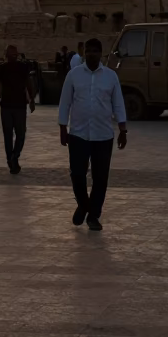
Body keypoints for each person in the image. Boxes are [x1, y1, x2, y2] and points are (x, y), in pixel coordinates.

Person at [58, 37, 127, 231]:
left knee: (100, 177)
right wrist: (63, 128)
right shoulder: (74, 75)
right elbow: (65, 103)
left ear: (101, 54)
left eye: (95, 51)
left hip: (103, 135)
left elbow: (118, 103)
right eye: (88, 50)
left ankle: (93, 215)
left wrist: (123, 129)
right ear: (84, 52)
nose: (91, 54)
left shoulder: (110, 76)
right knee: (77, 174)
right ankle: (83, 203)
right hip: (78, 134)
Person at [0, 44, 35, 174]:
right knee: (10, 135)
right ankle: (12, 159)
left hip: (19, 106)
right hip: (8, 106)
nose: (13, 55)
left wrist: (32, 99)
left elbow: (29, 84)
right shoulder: (2, 69)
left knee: (18, 134)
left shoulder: (23, 67)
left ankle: (13, 157)